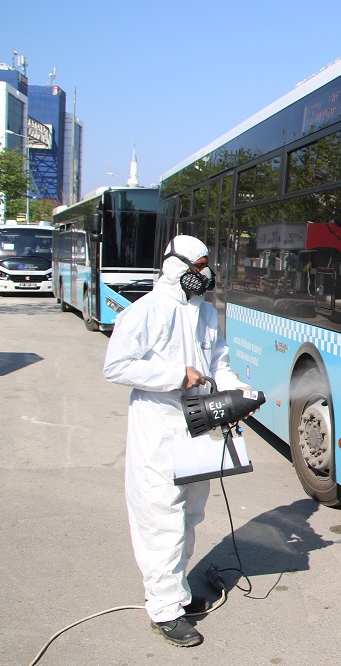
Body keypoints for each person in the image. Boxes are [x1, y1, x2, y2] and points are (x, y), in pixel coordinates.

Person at [104, 235, 248, 648]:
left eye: (207, 266)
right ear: (175, 266)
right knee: (161, 517)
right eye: (199, 267)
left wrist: (239, 392)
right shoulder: (146, 311)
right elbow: (116, 365)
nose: (206, 274)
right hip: (160, 425)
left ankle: (177, 593)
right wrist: (175, 375)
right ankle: (164, 610)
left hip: (197, 423)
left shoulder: (206, 314)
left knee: (190, 514)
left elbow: (218, 362)